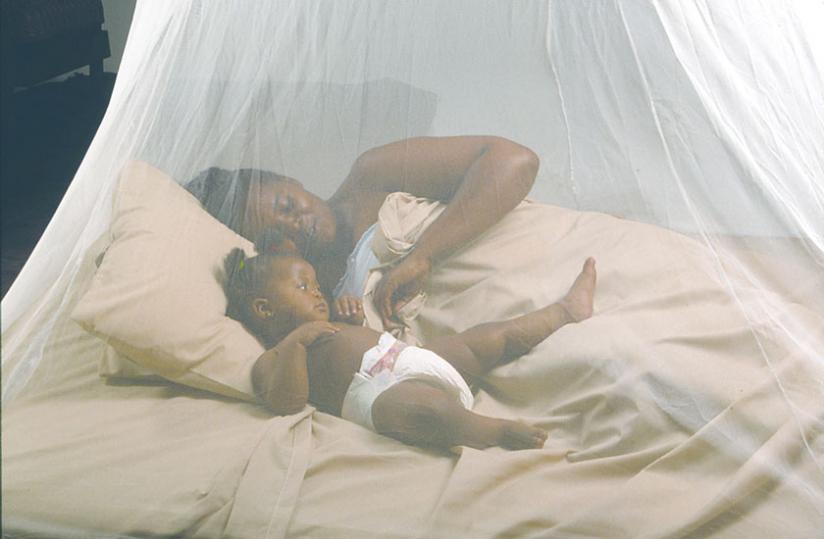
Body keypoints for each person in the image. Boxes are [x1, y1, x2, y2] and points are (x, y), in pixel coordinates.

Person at [223, 248, 597, 451]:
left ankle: (564, 312)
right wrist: (295, 346)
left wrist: (353, 323)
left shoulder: (329, 322)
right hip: (375, 396)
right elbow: (287, 401)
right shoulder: (272, 357)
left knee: (484, 339)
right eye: (303, 287)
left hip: (401, 354)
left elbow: (358, 345)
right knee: (428, 409)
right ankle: (489, 431)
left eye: (317, 283)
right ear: (264, 310)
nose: (318, 291)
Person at [187, 135, 540, 327]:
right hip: (507, 325)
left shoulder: (371, 176)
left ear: (292, 181)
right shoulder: (316, 302)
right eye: (277, 235)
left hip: (536, 256)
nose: (297, 225)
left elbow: (514, 161)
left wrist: (423, 258)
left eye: (286, 205)